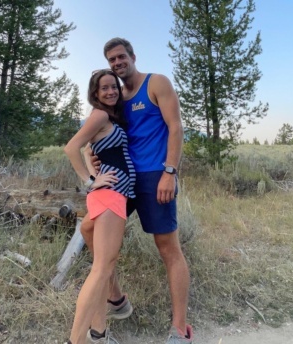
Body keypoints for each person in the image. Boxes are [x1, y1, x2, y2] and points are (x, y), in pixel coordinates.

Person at [81, 37, 193, 344]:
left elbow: (176, 127)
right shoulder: (116, 97)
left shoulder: (156, 83)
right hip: (121, 182)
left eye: (121, 57)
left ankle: (180, 330)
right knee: (89, 230)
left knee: (168, 247)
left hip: (156, 176)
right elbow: (110, 135)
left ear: (132, 56)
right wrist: (96, 158)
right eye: (112, 60)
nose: (117, 63)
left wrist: (170, 172)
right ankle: (116, 300)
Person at [64, 68, 136, 344]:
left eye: (114, 87)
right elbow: (72, 147)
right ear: (95, 93)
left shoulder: (106, 118)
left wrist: (89, 158)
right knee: (102, 270)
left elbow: (86, 146)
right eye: (104, 88)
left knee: (103, 266)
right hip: (109, 195)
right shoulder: (101, 114)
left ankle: (99, 334)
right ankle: (77, 341)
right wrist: (90, 180)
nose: (110, 92)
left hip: (110, 197)